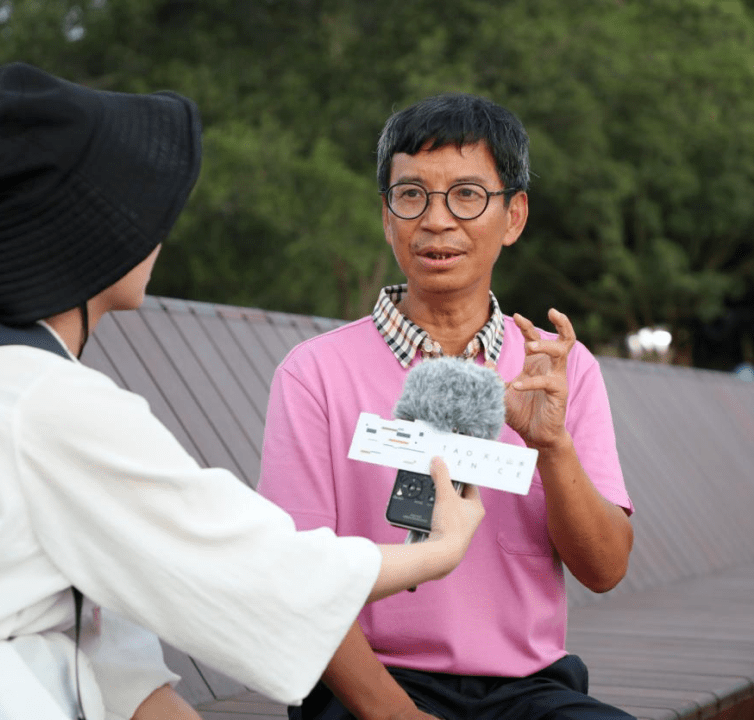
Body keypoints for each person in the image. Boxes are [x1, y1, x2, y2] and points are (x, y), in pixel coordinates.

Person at [0, 63, 484, 720]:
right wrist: (439, 551)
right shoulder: (48, 404)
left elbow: (108, 645)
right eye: (139, 209)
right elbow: (256, 569)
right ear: (89, 237)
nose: (158, 230)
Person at [257, 93, 635, 719]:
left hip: (529, 692)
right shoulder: (315, 374)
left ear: (513, 216)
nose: (437, 221)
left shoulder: (559, 371)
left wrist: (553, 447)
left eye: (466, 195)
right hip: (367, 686)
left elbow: (604, 569)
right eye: (411, 195)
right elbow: (297, 581)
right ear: (387, 215)